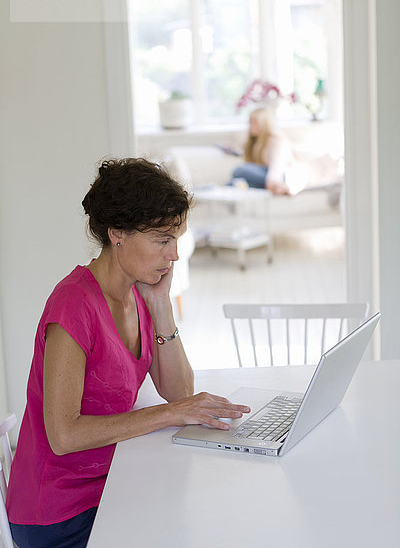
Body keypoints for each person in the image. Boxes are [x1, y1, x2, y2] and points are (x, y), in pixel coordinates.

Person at [6, 158, 250, 548]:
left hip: (117, 482)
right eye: (161, 239)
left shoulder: (138, 292)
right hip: (60, 512)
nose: (174, 256)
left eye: (176, 240)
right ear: (117, 232)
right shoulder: (74, 304)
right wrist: (169, 414)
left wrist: (161, 304)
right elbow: (63, 435)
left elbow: (179, 392)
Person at [231, 107, 291, 194]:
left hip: (278, 176)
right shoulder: (256, 141)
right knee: (231, 184)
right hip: (264, 178)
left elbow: (277, 165)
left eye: (254, 122)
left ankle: (278, 186)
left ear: (264, 123)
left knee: (239, 170)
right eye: (250, 122)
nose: (251, 126)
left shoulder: (276, 140)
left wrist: (273, 181)